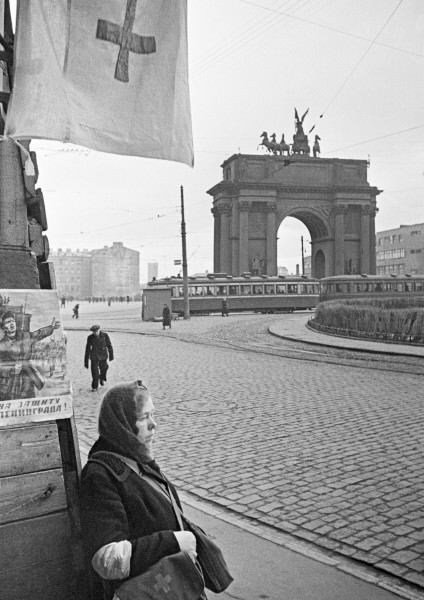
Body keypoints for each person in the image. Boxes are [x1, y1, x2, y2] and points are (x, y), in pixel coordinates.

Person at [79, 381, 202, 600]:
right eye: (144, 418)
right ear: (122, 424)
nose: (153, 424)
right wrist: (173, 542)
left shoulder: (137, 458)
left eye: (152, 415)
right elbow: (107, 558)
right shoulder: (100, 476)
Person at [0, 311, 60, 400]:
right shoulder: (1, 345)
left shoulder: (26, 336)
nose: (12, 323)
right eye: (8, 322)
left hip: (27, 379)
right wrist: (11, 369)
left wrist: (52, 327)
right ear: (4, 328)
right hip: (10, 384)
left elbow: (39, 333)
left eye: (13, 321)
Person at [84, 325, 114, 392]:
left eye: (97, 331)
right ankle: (94, 387)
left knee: (105, 367)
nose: (95, 333)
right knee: (94, 372)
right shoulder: (90, 337)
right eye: (94, 332)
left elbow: (109, 346)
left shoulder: (104, 335)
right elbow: (87, 349)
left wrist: (111, 356)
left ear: (99, 330)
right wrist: (86, 362)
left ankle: (102, 377)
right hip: (94, 356)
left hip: (103, 355)